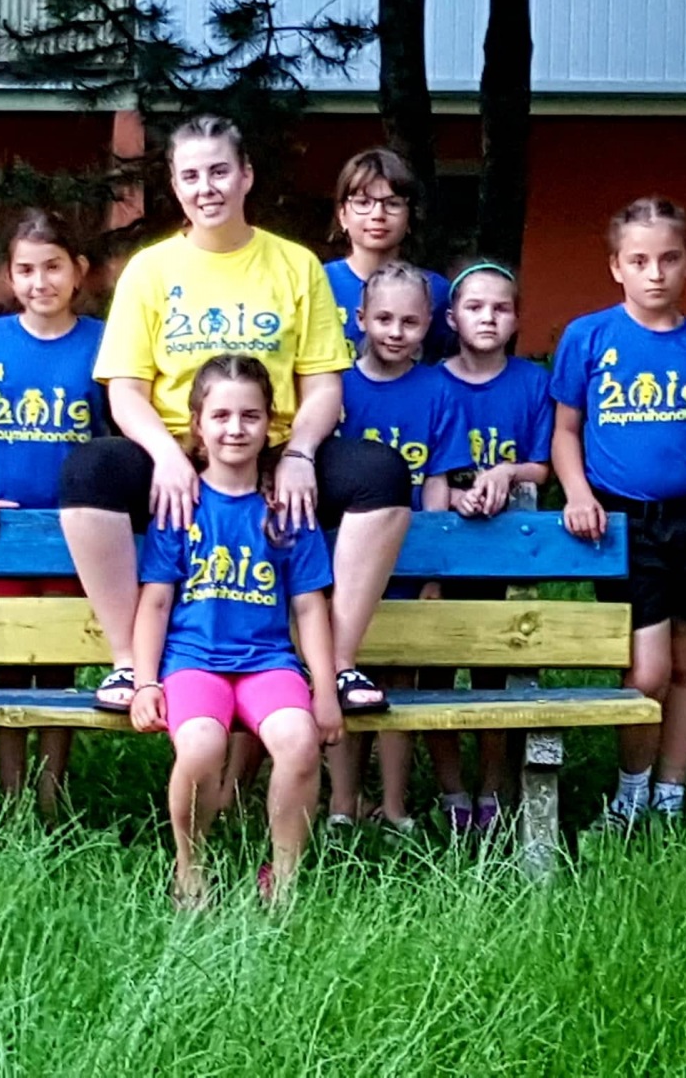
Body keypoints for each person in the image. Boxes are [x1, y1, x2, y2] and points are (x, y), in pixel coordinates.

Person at [59, 114, 412, 728]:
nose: (207, 188)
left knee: (380, 473)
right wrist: (168, 458)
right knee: (89, 470)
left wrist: (299, 454)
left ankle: (335, 666)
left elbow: (324, 386)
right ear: (175, 184)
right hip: (178, 455)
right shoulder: (149, 270)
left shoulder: (295, 265)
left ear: (246, 175)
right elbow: (126, 392)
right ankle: (129, 665)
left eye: (220, 171)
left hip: (271, 450)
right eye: (192, 176)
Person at [551, 196, 686, 828]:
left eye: (669, 258)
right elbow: (565, 431)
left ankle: (671, 791)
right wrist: (578, 493)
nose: (655, 273)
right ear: (616, 267)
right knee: (647, 670)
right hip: (625, 522)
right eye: (639, 260)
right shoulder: (588, 337)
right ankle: (630, 791)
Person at [131, 356, 341, 906]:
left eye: (250, 415)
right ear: (197, 424)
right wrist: (145, 681)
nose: (235, 428)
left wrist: (325, 690)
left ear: (270, 423)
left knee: (298, 741)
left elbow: (310, 608)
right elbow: (155, 602)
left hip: (267, 662)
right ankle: (190, 868)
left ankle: (284, 880)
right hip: (194, 662)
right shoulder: (180, 505)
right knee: (202, 744)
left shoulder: (286, 508)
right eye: (220, 415)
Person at [0, 209, 107, 817]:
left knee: (59, 662)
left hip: (74, 530)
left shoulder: (103, 340)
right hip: (4, 531)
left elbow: (124, 430)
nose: (41, 282)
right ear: (9, 276)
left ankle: (51, 795)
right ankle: (11, 798)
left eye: (53, 267)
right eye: (27, 270)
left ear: (78, 270)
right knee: (10, 661)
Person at [328, 261, 472, 836]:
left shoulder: (438, 390)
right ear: (360, 317)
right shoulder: (337, 386)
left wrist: (431, 569)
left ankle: (393, 805)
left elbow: (437, 480)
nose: (395, 331)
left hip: (406, 560)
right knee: (340, 674)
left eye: (410, 322)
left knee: (400, 681)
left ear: (429, 324)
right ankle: (342, 805)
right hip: (344, 560)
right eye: (383, 318)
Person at [420, 260, 553, 835]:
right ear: (452, 318)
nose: (488, 318)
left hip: (505, 552)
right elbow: (421, 467)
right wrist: (453, 496)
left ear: (517, 318)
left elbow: (542, 466)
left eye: (501, 308)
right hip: (441, 553)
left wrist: (505, 472)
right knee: (435, 673)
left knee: (495, 673)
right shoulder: (430, 383)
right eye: (474, 307)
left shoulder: (531, 383)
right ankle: (451, 791)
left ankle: (493, 788)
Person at [323, 148, 453, 364]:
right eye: (363, 203)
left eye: (392, 204)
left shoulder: (437, 291)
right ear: (342, 215)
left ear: (410, 217)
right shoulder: (317, 283)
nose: (378, 215)